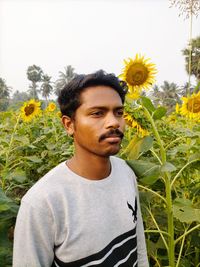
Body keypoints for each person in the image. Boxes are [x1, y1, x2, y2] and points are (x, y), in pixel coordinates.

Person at [13, 70, 149, 267]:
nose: (114, 122)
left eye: (118, 113)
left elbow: (139, 248)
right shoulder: (43, 203)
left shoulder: (126, 173)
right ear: (69, 125)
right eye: (97, 113)